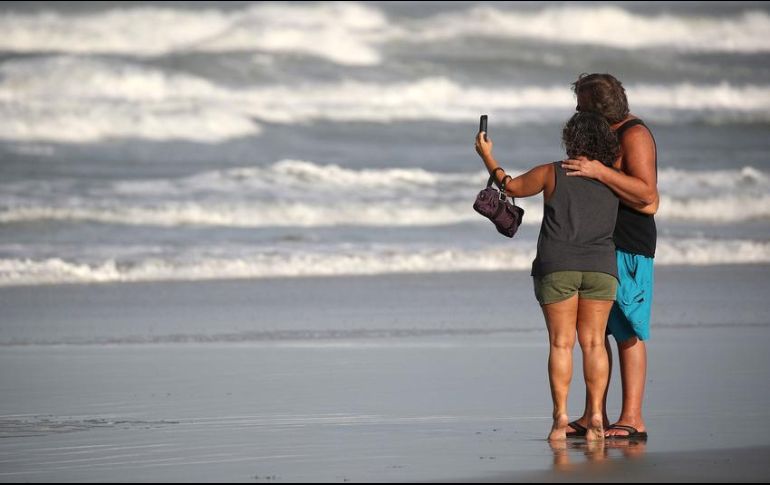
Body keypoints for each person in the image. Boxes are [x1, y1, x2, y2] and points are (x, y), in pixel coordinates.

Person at [475, 111, 621, 441]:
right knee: (595, 343)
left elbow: (510, 186)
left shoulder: (552, 172)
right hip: (601, 266)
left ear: (571, 139)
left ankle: (560, 419)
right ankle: (597, 417)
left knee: (561, 343)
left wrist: (487, 155)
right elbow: (644, 199)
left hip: (558, 265)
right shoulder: (615, 178)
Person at [561, 73, 658, 440]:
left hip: (629, 243)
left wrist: (599, 171)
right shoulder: (599, 134)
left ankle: (633, 417)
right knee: (595, 330)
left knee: (628, 328)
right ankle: (594, 415)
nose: (577, 112)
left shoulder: (634, 134)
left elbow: (647, 196)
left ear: (599, 107)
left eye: (582, 106)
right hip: (596, 242)